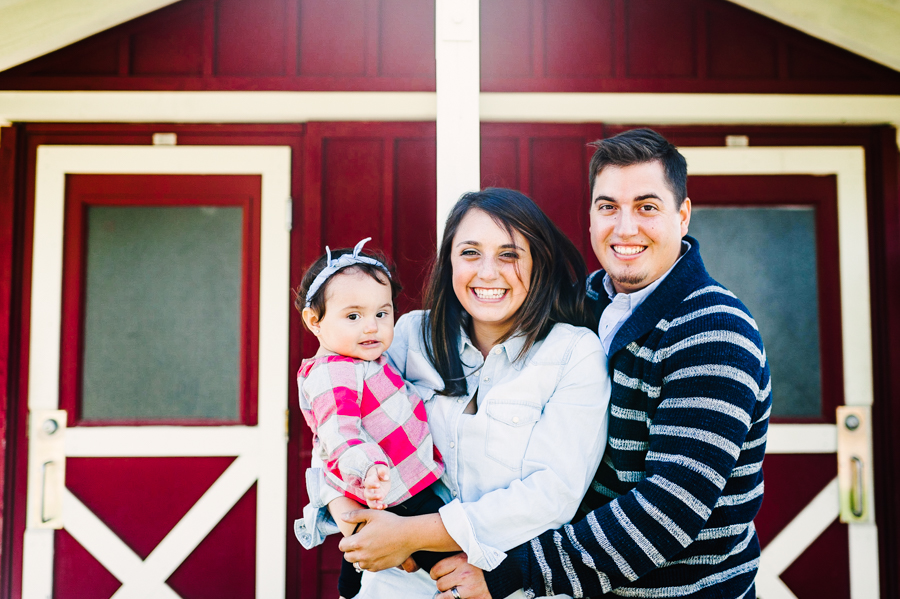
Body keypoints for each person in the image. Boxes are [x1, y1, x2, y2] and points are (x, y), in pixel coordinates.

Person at [430, 128, 771, 599]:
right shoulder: (583, 305)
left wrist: (511, 573)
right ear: (591, 217)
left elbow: (668, 510)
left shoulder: (712, 330)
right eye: (608, 206)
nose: (625, 227)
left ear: (683, 216)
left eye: (647, 207)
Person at [295, 188, 612, 598]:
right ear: (449, 262)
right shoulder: (406, 337)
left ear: (538, 262)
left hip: (505, 586)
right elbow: (336, 430)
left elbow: (553, 495)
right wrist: (353, 519)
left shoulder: (573, 352)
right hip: (394, 585)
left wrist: (411, 534)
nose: (487, 273)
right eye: (470, 252)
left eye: (509, 254)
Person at [293, 238, 456, 598]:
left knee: (363, 562)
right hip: (392, 490)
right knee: (450, 565)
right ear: (314, 321)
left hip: (398, 484)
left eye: (381, 314)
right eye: (353, 316)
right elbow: (339, 433)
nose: (371, 327)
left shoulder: (361, 359)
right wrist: (368, 468)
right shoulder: (333, 374)